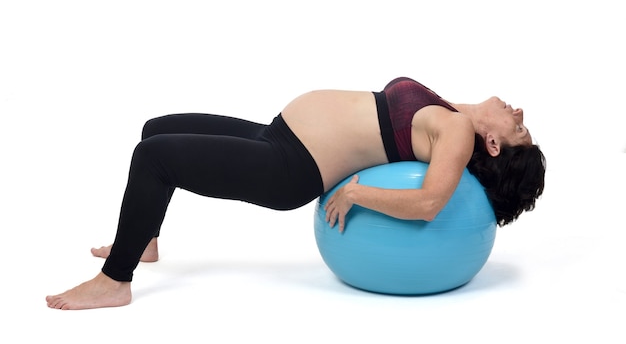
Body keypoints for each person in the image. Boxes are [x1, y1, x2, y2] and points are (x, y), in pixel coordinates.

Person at [46, 76, 545, 310]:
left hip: (289, 168)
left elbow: (432, 201)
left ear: (494, 144)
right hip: (277, 135)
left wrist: (358, 193)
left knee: (154, 158)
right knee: (155, 130)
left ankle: (115, 280)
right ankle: (144, 239)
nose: (520, 114)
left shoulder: (458, 135)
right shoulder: (455, 114)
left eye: (519, 130)